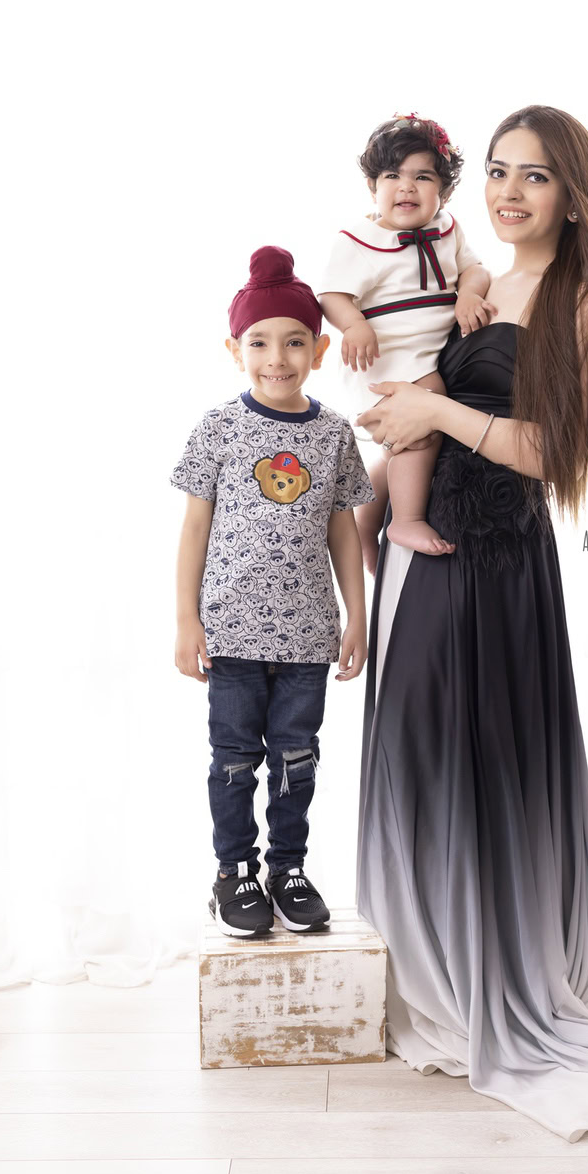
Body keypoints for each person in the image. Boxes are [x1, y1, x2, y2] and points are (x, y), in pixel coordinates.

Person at [353, 106, 588, 1141]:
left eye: (537, 177)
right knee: (416, 748)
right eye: (501, 171)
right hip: (421, 551)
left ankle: (493, 978)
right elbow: (415, 390)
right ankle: (428, 962)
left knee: (482, 759)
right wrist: (367, 496)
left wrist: (436, 415)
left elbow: (551, 452)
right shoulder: (473, 280)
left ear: (573, 196)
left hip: (496, 560)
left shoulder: (586, 298)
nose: (510, 192)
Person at [171, 246, 374, 938]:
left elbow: (344, 530)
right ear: (235, 348)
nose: (277, 357)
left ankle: (289, 867)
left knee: (296, 756)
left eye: (294, 342)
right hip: (228, 633)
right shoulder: (219, 427)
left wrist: (357, 615)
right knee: (233, 759)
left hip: (307, 635)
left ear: (319, 349)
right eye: (260, 342)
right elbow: (195, 528)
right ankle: (235, 871)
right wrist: (185, 620)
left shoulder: (333, 434)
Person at [318, 113, 494, 574]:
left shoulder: (447, 230)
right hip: (384, 358)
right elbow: (333, 294)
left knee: (406, 447)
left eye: (423, 177)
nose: (407, 187)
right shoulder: (358, 240)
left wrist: (469, 294)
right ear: (373, 186)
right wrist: (354, 325)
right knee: (423, 426)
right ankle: (407, 520)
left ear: (446, 191)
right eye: (392, 176)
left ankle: (367, 517)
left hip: (425, 352)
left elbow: (476, 269)